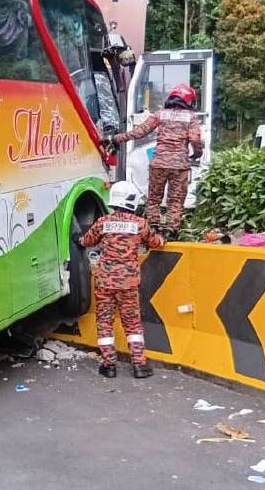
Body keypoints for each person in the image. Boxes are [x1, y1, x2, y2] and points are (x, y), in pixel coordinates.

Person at [78, 180, 164, 379]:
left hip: (105, 283)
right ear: (131, 201)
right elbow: (155, 242)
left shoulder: (103, 223)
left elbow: (86, 241)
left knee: (105, 323)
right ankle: (140, 365)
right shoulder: (139, 224)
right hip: (128, 284)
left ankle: (109, 366)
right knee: (132, 324)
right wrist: (163, 237)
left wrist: (78, 240)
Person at [107, 84, 203, 238]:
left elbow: (140, 132)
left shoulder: (160, 114)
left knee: (154, 199)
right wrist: (197, 153)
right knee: (175, 200)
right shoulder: (190, 117)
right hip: (180, 166)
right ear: (189, 101)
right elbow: (195, 138)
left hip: (158, 164)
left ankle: (153, 228)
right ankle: (170, 231)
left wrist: (117, 138)